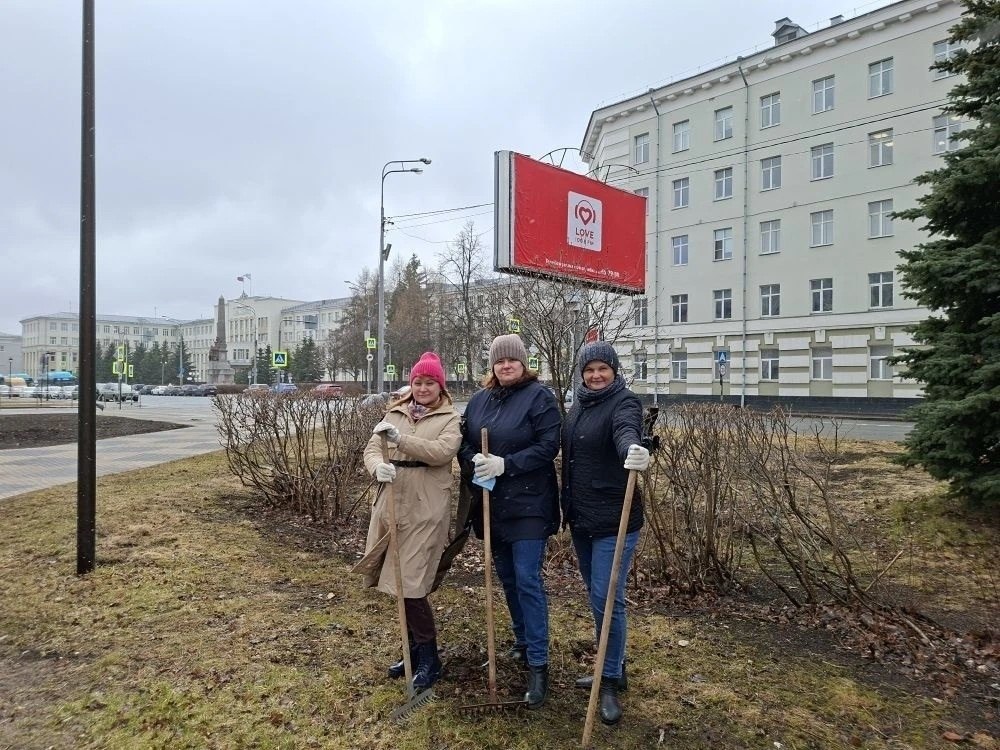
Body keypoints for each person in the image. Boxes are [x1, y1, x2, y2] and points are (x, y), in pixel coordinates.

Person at [460, 333, 561, 709]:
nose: (505, 366)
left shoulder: (539, 398)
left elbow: (549, 446)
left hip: (530, 504)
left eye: (512, 360)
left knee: (527, 579)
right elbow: (462, 441)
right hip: (492, 505)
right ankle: (522, 640)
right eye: (499, 361)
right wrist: (473, 460)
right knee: (507, 578)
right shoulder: (479, 399)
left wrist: (507, 464)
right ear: (493, 365)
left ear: (523, 363)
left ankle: (539, 663)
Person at [560, 341, 650, 726]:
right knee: (598, 598)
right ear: (582, 373)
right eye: (589, 369)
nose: (596, 375)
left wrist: (634, 449)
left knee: (607, 598)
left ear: (614, 371)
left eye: (603, 369)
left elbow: (626, 431)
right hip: (582, 518)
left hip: (614, 519)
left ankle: (609, 679)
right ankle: (614, 664)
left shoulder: (624, 402)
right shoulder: (579, 404)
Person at [362, 351, 461, 690]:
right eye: (418, 381)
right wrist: (378, 467)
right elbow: (372, 448)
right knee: (398, 583)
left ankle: (430, 658)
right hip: (393, 503)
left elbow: (442, 452)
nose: (422, 388)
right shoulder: (395, 412)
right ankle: (414, 651)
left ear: (440, 386)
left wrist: (400, 440)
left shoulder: (449, 418)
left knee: (412, 584)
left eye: (430, 382)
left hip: (425, 507)